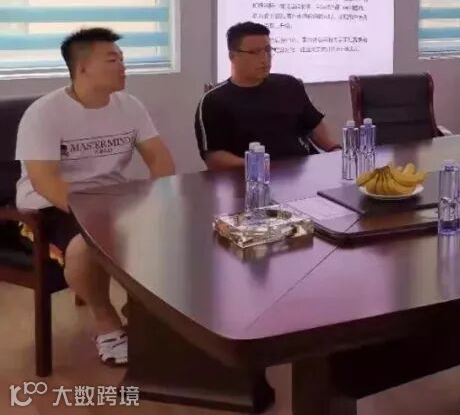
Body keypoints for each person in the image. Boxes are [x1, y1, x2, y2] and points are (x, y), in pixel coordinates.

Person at [15, 28, 176, 366]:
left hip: (113, 197)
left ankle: (145, 313)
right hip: (52, 205)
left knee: (171, 229)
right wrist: (95, 217)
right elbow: (45, 181)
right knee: (85, 245)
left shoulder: (130, 106)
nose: (123, 66)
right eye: (113, 59)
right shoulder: (44, 113)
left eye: (122, 59)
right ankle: (107, 323)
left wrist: (162, 201)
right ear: (83, 67)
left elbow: (160, 159)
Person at [195, 21, 338, 170]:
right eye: (255, 52)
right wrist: (258, 166)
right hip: (252, 176)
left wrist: (334, 148)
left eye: (268, 50)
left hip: (301, 169)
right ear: (232, 56)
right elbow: (213, 157)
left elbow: (313, 124)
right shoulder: (214, 101)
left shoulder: (288, 84)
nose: (265, 58)